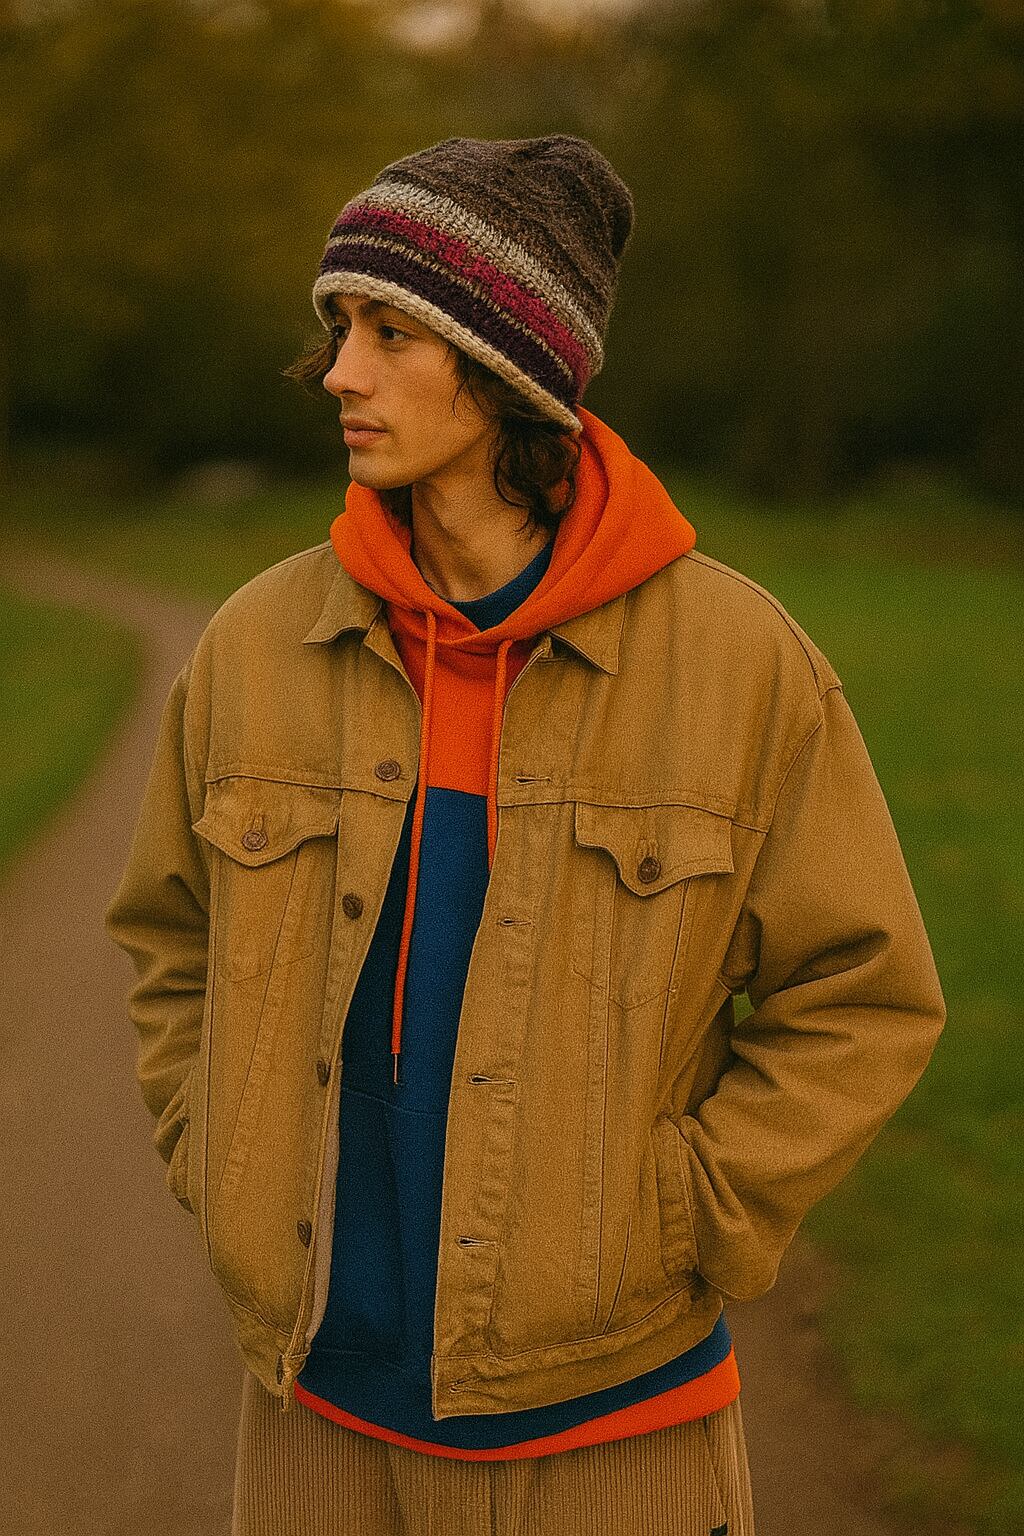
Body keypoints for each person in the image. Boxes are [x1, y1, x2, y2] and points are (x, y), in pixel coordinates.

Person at [104, 134, 946, 1536]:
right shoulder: (255, 647)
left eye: (388, 332)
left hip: (614, 1428)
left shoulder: (741, 668)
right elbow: (167, 938)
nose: (340, 373)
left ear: (506, 369)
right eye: (338, 329)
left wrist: (686, 1214)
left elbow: (863, 996)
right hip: (316, 1416)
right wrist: (216, 1148)